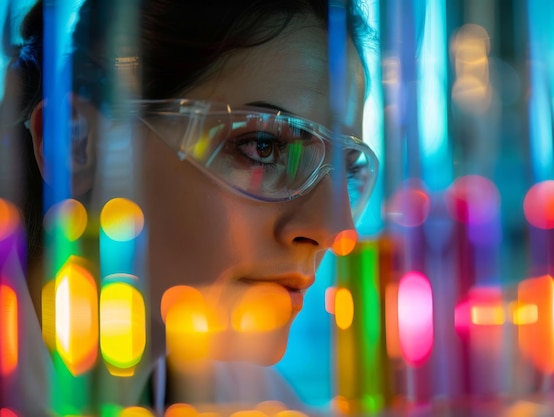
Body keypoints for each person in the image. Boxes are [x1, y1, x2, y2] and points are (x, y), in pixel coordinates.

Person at [1, 0, 378, 414]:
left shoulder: (245, 395)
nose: (335, 230)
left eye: (346, 170)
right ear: (75, 145)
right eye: (264, 147)